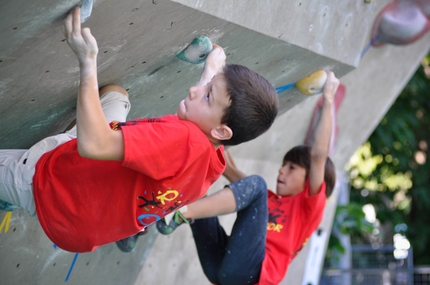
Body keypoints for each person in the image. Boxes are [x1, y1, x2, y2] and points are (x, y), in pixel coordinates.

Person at [0, 7, 278, 253]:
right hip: (83, 222)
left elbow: (94, 145)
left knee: (88, 128)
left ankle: (11, 194)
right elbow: (203, 124)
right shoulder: (212, 163)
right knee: (116, 96)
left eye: (207, 95)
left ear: (221, 131)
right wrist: (212, 72)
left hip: (52, 191)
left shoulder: (181, 140)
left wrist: (87, 61)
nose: (195, 90)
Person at [156, 71, 339, 285]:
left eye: (291, 168)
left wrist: (328, 98)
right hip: (221, 268)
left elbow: (318, 155)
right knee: (203, 173)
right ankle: (142, 221)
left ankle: (180, 212)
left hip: (251, 275)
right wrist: (215, 128)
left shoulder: (309, 208)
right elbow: (231, 172)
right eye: (283, 166)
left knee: (257, 185)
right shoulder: (266, 200)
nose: (282, 171)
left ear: (310, 180)